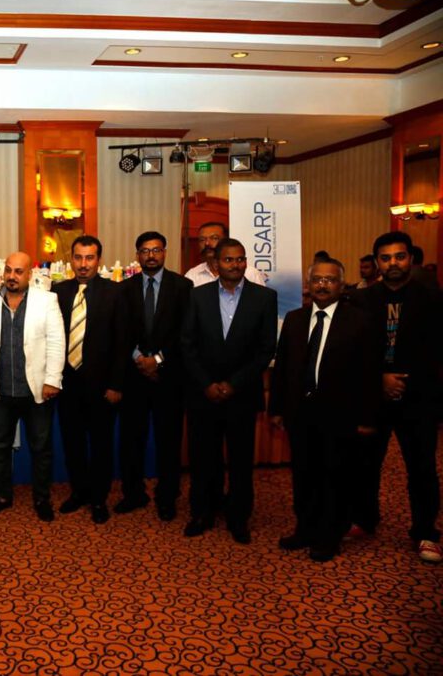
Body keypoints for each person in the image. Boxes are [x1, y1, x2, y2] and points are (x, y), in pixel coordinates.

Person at [269, 258, 379, 562]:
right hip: (300, 413)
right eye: (317, 279)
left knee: (334, 477)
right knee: (303, 475)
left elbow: (370, 373)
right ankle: (305, 529)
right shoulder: (295, 319)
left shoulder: (359, 321)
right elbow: (282, 368)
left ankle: (329, 536)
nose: (322, 285)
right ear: (308, 284)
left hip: (340, 415)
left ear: (341, 285)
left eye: (329, 280)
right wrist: (276, 408)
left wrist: (368, 417)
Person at [350, 231, 442, 563]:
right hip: (372, 396)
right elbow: (353, 350)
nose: (393, 263)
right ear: (377, 262)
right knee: (365, 464)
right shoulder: (360, 300)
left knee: (421, 467)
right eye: (385, 258)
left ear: (410, 259)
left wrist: (402, 380)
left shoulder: (431, 299)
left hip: (418, 397)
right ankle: (364, 519)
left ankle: (425, 531)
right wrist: (380, 378)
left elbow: (436, 351)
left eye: (399, 257)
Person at [180, 237, 277, 544]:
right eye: (228, 260)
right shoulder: (197, 296)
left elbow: (266, 349)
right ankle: (202, 512)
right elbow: (186, 345)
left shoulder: (265, 297)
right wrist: (207, 383)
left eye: (240, 259)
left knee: (240, 461)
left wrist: (233, 384)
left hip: (242, 395)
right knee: (203, 459)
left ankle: (238, 517)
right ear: (216, 263)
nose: (235, 265)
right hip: (203, 393)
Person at [0, 251, 64, 521]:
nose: (12, 276)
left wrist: (52, 379)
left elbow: (56, 342)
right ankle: (2, 496)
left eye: (18, 271)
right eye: (8, 270)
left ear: (30, 274)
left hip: (36, 390)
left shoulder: (47, 301)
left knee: (41, 448)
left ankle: (41, 498)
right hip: (0, 390)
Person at [116, 231, 192, 522]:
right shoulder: (124, 289)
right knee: (131, 440)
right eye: (145, 251)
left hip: (169, 378)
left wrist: (158, 360)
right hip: (133, 378)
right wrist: (139, 359)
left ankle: (167, 496)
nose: (151, 255)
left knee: (168, 442)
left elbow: (186, 332)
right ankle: (133, 493)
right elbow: (120, 331)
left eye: (156, 250)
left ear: (165, 253)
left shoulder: (183, 287)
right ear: (137, 255)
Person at [51, 235, 127, 524]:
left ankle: (98, 499)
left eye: (89, 258)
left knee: (101, 445)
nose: (83, 264)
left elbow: (122, 342)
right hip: (67, 385)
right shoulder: (58, 291)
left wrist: (116, 385)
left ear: (99, 260)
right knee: (73, 443)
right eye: (78, 257)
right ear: (71, 259)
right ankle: (79, 492)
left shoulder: (115, 292)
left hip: (102, 387)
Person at [184, 222, 266, 286]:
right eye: (202, 240)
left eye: (214, 238)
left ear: (226, 240)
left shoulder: (250, 274)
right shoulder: (192, 275)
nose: (207, 243)